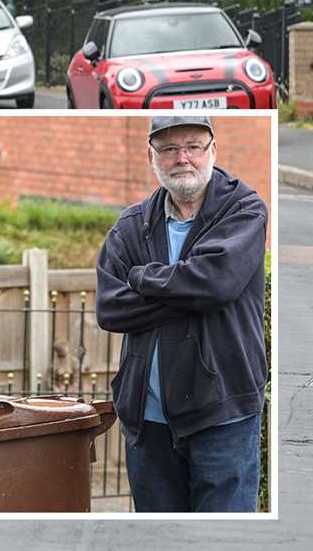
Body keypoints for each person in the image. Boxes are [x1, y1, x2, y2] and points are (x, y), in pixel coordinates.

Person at [95, 115, 268, 512]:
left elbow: (216, 284)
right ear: (151, 156)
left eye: (193, 146)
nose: (182, 158)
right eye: (169, 149)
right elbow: (110, 307)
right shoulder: (131, 226)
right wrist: (188, 294)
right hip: (148, 420)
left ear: (213, 151)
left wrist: (140, 276)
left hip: (222, 412)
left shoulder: (243, 210)